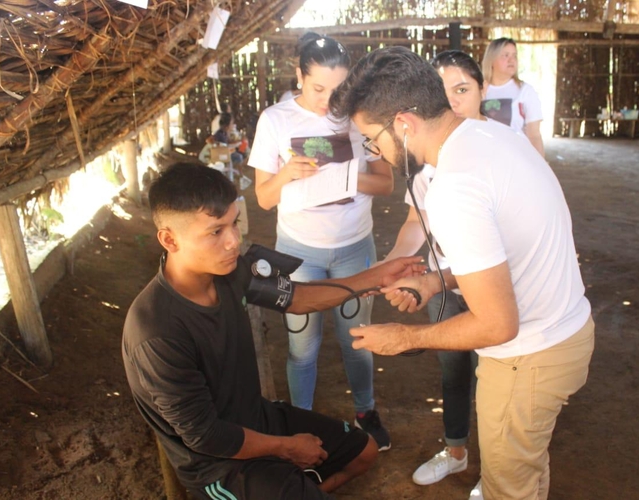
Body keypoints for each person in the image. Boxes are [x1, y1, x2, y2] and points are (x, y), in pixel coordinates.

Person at [330, 46, 594, 500]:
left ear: (404, 125)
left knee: (507, 488)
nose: (377, 151)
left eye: (373, 139)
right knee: (528, 468)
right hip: (566, 334)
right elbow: (510, 252)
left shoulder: (453, 188)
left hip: (526, 359)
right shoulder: (492, 137)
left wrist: (405, 338)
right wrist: (436, 280)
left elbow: (497, 324)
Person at [122, 163, 423, 500]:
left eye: (234, 223)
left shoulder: (230, 274)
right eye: (215, 231)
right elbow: (206, 437)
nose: (233, 241)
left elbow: (297, 298)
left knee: (364, 451)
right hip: (219, 463)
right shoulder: (156, 330)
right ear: (169, 239)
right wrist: (287, 448)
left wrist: (374, 277)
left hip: (258, 418)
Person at [248, 32, 394, 451]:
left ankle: (365, 411)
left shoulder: (360, 117)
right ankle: (302, 421)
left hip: (354, 247)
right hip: (298, 253)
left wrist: (346, 177)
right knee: (302, 346)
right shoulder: (275, 120)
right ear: (299, 75)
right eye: (318, 89)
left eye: (339, 90)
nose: (331, 101)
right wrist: (285, 175)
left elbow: (385, 184)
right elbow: (262, 197)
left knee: (358, 340)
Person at [380, 50, 486, 486]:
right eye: (443, 93)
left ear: (483, 90)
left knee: (497, 379)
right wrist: (385, 268)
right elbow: (413, 223)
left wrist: (429, 280)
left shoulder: (494, 155)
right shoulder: (424, 162)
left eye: (463, 90)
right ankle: (457, 451)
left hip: (485, 287)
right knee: (452, 368)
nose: (454, 101)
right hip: (443, 286)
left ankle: (497, 470)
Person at [481, 37, 545, 156]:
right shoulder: (479, 90)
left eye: (514, 55)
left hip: (517, 158)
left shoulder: (525, 91)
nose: (512, 60)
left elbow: (534, 135)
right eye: (505, 55)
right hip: (486, 158)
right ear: (491, 60)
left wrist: (541, 167)